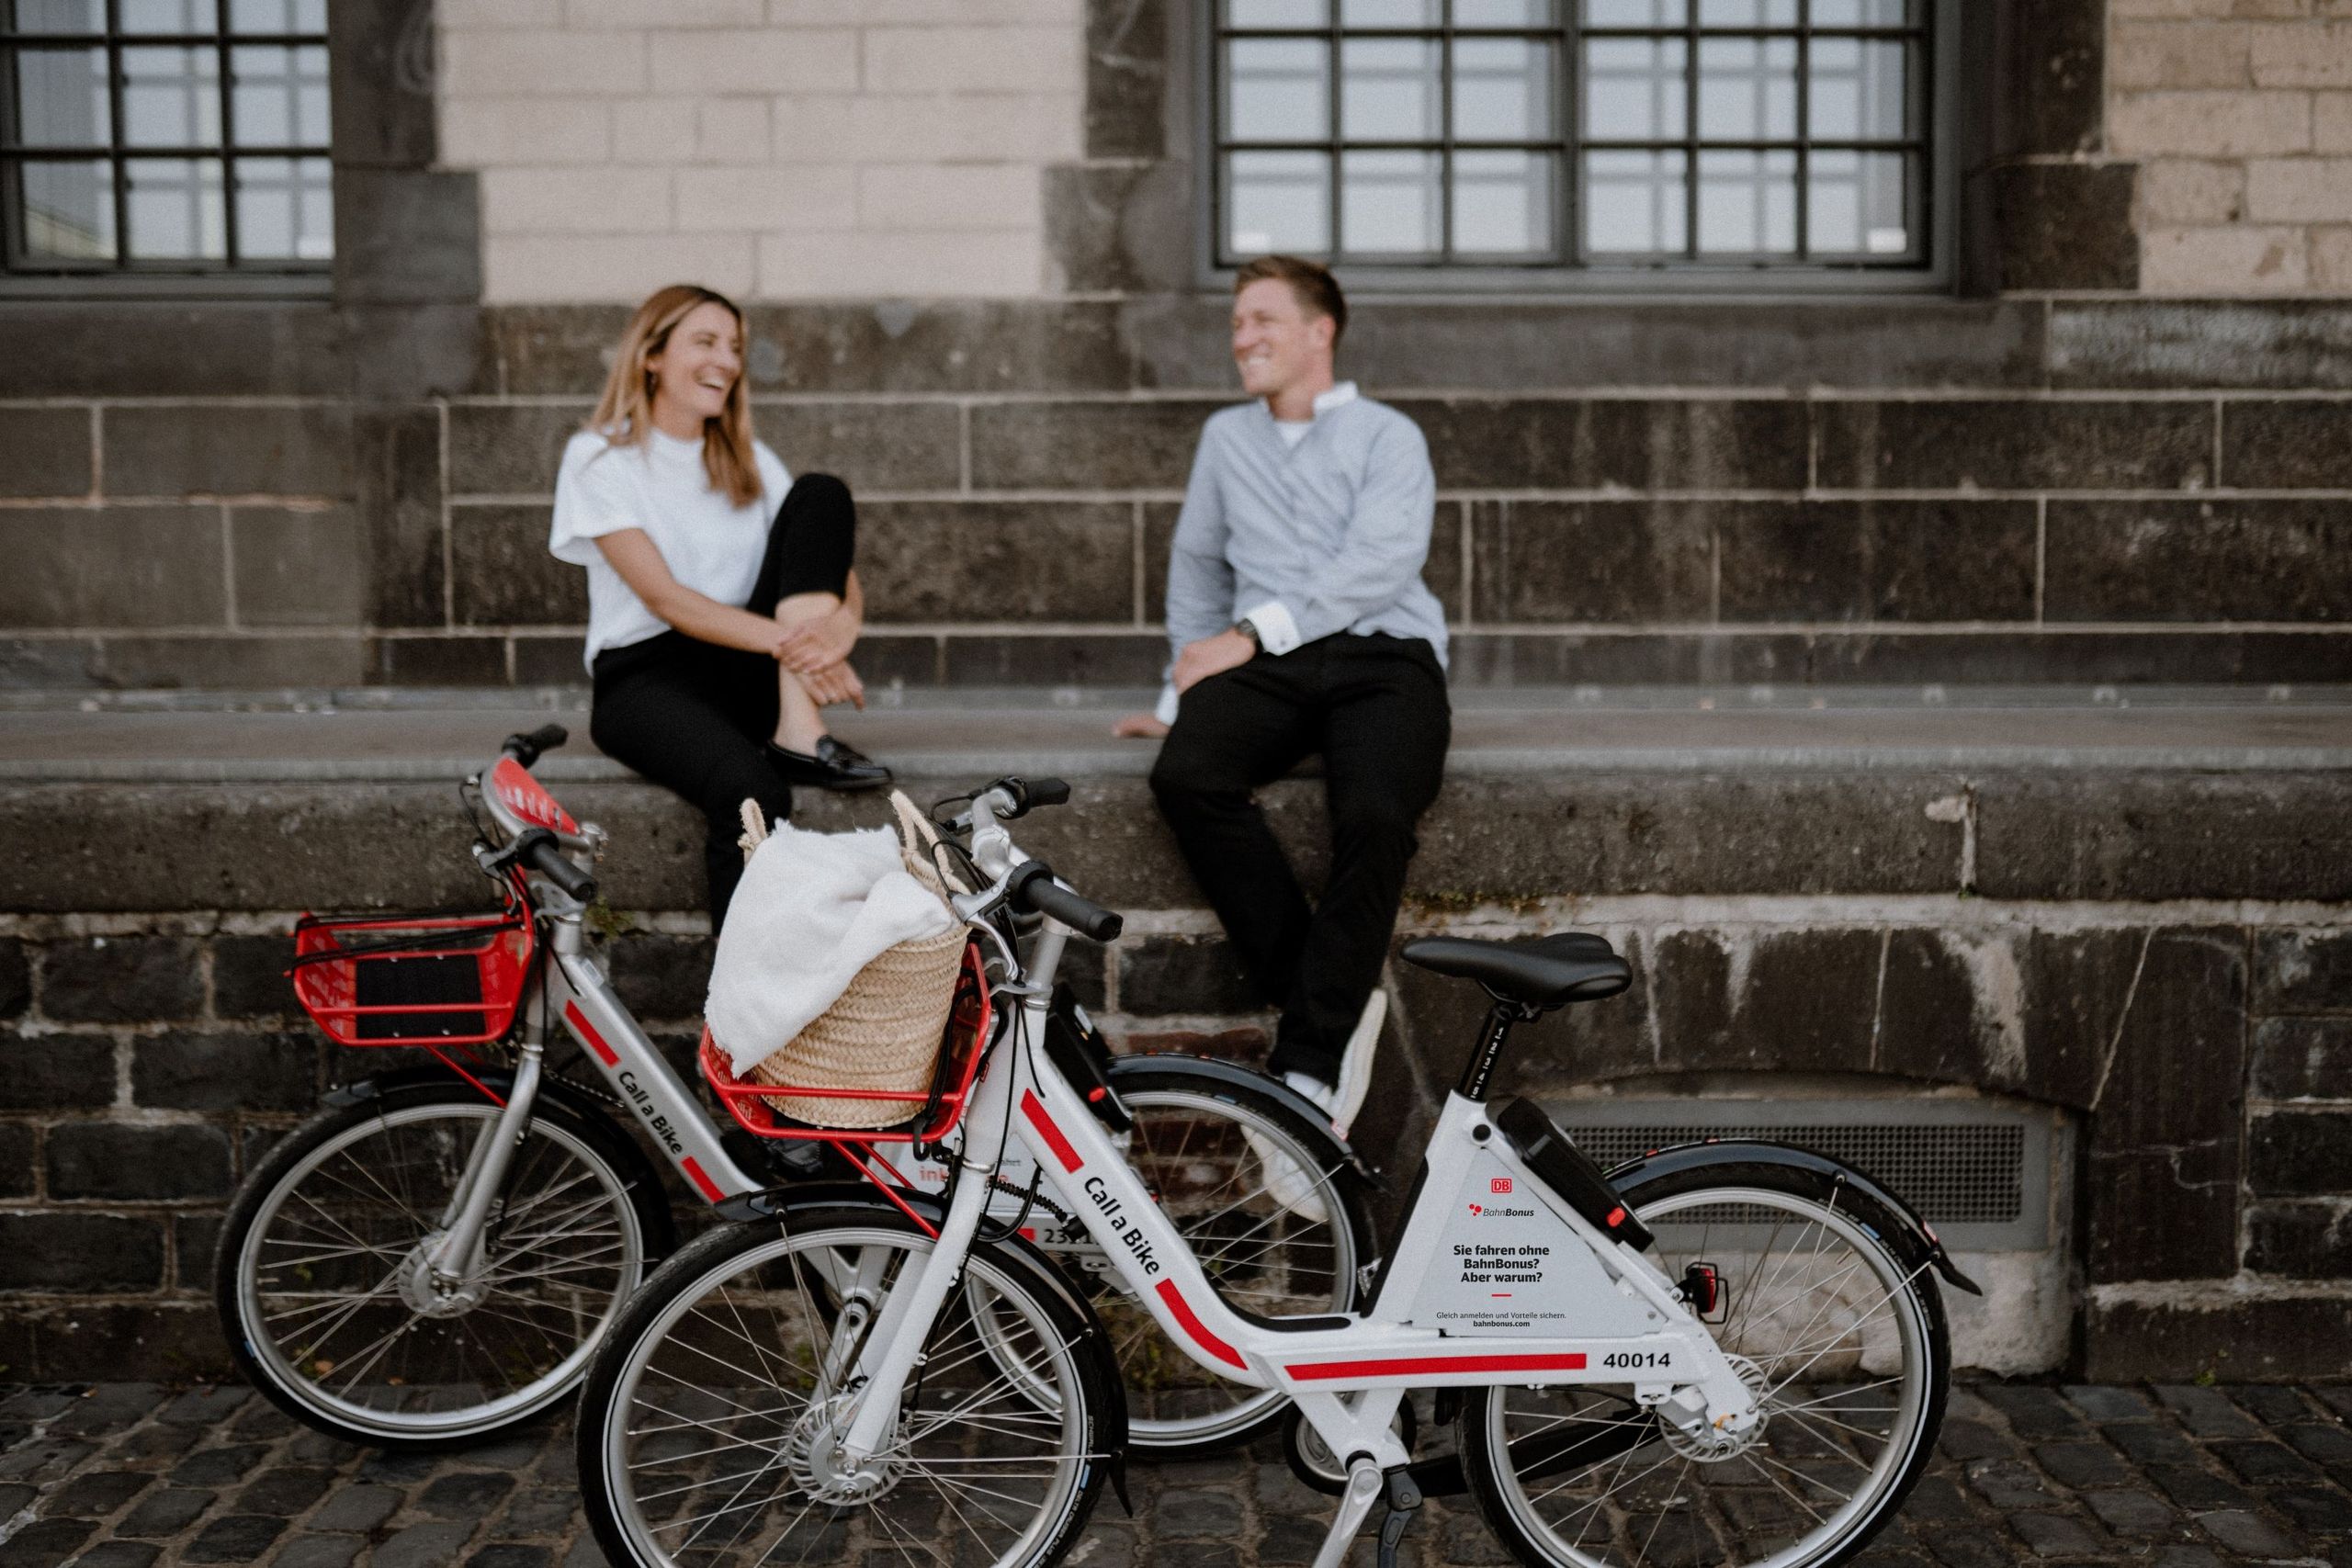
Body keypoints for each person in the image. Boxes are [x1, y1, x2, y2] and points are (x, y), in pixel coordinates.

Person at [1120, 255, 1450, 1134]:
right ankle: (1327, 994)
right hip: (1258, 665)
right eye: (1235, 323)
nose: (1242, 338)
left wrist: (1254, 632)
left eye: (1262, 319)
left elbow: (1382, 562)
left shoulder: (1388, 435)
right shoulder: (1226, 439)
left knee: (1377, 815)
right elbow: (1195, 566)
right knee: (1184, 776)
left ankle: (1305, 1063)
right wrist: (1177, 685)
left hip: (1384, 652)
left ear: (1319, 332)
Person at [549, 283, 890, 928]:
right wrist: (796, 646)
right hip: (646, 680)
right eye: (705, 342)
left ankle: (798, 728)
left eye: (734, 347)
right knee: (752, 793)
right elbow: (664, 597)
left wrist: (840, 629)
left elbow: (833, 569)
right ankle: (736, 1008)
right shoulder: (599, 457)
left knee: (821, 494)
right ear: (652, 356)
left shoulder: (749, 461)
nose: (727, 361)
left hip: (748, 672)